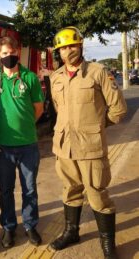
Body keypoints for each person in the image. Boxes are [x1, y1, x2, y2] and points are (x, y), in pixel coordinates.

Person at [49, 27, 127, 259]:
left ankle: (107, 243)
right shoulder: (56, 77)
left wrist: (97, 127)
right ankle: (71, 232)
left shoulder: (98, 72)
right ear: (58, 52)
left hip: (90, 147)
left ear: (80, 45)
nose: (67, 51)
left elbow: (118, 110)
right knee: (70, 190)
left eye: (71, 45)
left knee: (97, 194)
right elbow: (58, 109)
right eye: (63, 48)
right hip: (64, 147)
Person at [0, 36, 45, 248]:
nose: (9, 56)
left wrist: (25, 124)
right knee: (5, 190)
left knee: (29, 189)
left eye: (12, 52)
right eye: (4, 53)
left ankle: (30, 226)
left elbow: (38, 108)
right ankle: (9, 227)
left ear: (18, 53)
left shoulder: (30, 77)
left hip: (28, 144)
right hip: (4, 146)